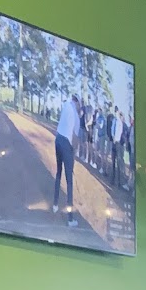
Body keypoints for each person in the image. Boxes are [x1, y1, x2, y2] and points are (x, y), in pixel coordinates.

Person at [53, 93, 80, 226]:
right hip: (66, 144)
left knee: (58, 173)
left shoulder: (65, 105)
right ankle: (70, 219)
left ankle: (55, 204)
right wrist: (73, 154)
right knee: (69, 181)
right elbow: (75, 138)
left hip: (58, 139)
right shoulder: (76, 115)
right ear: (77, 103)